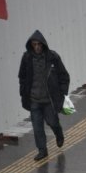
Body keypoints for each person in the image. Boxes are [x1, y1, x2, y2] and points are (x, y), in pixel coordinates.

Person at [18, 30, 70, 161]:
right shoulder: (26, 58)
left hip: (49, 100)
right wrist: (23, 92)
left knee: (52, 122)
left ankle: (58, 133)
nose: (37, 47)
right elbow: (22, 77)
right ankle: (42, 150)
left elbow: (64, 76)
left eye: (39, 44)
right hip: (34, 99)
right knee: (37, 127)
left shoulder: (53, 57)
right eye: (34, 44)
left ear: (43, 44)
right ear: (31, 45)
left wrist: (62, 93)